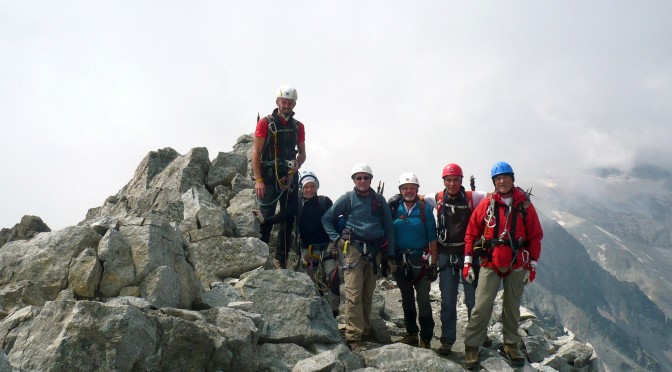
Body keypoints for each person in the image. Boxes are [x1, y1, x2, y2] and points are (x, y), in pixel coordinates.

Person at [462, 162, 543, 369]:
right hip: (491, 262)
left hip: (517, 264)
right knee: (481, 307)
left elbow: (535, 236)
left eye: (505, 177)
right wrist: (468, 262)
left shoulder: (524, 205)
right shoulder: (488, 204)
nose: (502, 181)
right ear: (494, 182)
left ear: (512, 179)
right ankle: (472, 345)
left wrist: (532, 265)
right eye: (498, 178)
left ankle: (511, 344)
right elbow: (471, 232)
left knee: (512, 307)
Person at [321, 162, 395, 352]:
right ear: (354, 180)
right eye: (358, 178)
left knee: (367, 293)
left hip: (374, 251)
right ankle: (354, 337)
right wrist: (337, 239)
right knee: (353, 294)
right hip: (353, 250)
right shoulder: (347, 199)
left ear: (370, 179)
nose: (362, 181)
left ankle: (365, 328)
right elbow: (327, 218)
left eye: (365, 177)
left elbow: (389, 228)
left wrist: (390, 255)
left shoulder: (379, 200)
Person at [420, 163, 488, 356]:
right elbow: (417, 197)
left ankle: (475, 338)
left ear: (461, 181)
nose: (452, 184)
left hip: (468, 255)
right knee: (448, 301)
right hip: (446, 256)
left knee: (472, 301)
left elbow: (494, 196)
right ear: (444, 181)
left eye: (455, 180)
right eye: (448, 180)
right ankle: (448, 340)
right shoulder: (438, 198)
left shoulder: (472, 197)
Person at [251, 85, 306, 269]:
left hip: (289, 178)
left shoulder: (298, 126)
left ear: (294, 104)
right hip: (268, 176)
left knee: (288, 218)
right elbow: (256, 153)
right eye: (284, 102)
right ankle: (261, 259)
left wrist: (297, 164)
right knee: (265, 216)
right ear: (278, 102)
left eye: (290, 102)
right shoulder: (265, 123)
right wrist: (258, 180)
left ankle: (281, 261)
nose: (287, 105)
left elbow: (303, 154)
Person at [390, 173, 438, 349]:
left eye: (412, 187)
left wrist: (434, 264)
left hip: (421, 259)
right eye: (405, 188)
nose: (408, 191)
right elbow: (388, 232)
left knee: (423, 298)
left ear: (417, 190)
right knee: (407, 296)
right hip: (399, 258)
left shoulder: (425, 209)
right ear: (400, 190)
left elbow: (433, 237)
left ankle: (426, 337)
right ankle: (411, 333)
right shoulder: (394, 208)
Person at [295, 171, 340, 317]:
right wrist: (266, 219)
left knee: (333, 277)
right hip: (308, 250)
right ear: (302, 188)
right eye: (306, 187)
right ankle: (316, 310)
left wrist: (334, 243)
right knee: (311, 281)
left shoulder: (325, 201)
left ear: (316, 187)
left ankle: (333, 312)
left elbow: (335, 222)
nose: (309, 189)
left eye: (312, 186)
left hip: (327, 248)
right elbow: (284, 217)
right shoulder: (297, 205)